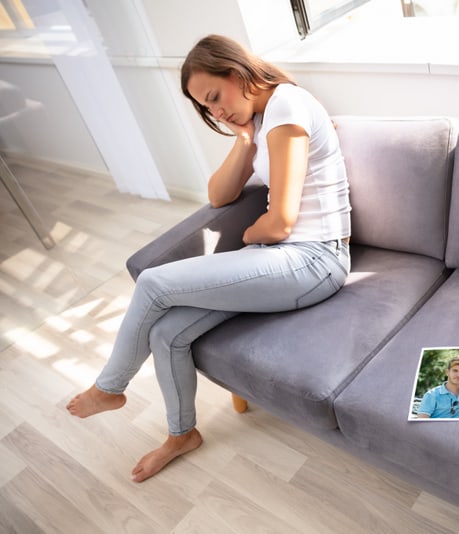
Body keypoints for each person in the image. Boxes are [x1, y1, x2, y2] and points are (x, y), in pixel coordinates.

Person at [66, 34, 351, 482]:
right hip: (287, 259)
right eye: (206, 107)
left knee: (154, 283)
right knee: (166, 333)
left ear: (238, 74)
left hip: (316, 260)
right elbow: (219, 196)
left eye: (215, 97)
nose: (215, 112)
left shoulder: (287, 108)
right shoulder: (262, 118)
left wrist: (256, 234)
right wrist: (242, 139)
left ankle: (110, 387)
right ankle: (182, 435)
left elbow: (279, 224)